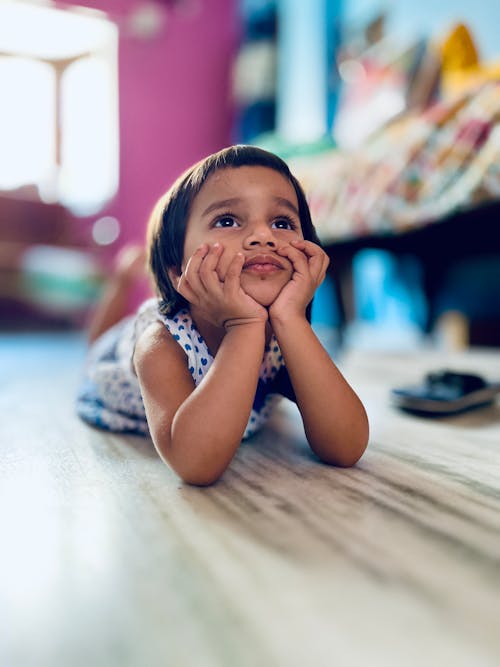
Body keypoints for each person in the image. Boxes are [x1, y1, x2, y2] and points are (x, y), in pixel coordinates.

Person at [77, 145, 369, 485]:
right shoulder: (160, 343)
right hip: (113, 358)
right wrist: (244, 326)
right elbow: (194, 463)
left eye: (282, 222)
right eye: (227, 220)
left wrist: (291, 318)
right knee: (96, 345)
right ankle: (123, 280)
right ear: (177, 270)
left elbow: (346, 446)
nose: (264, 236)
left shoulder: (283, 335)